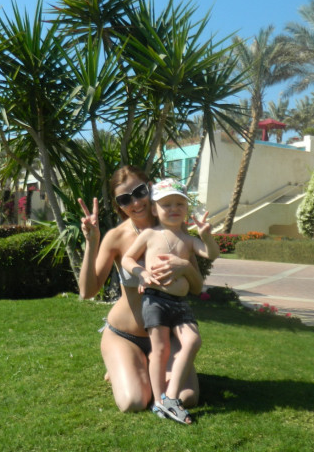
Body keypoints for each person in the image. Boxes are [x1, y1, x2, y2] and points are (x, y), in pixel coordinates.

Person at [77, 166, 204, 417]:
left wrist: (185, 266)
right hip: (126, 335)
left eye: (139, 192)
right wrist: (92, 242)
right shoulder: (116, 237)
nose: (135, 203)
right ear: (119, 206)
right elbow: (87, 291)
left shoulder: (175, 228)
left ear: (150, 188)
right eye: (125, 199)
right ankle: (123, 365)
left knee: (187, 397)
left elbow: (198, 287)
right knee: (134, 401)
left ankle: (140, 368)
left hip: (166, 335)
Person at [121, 178, 218, 424]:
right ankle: (159, 401)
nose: (174, 208)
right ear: (154, 210)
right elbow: (127, 259)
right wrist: (141, 273)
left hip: (180, 303)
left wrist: (206, 236)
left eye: (179, 204)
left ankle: (170, 398)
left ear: (186, 209)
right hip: (155, 299)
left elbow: (211, 253)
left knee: (193, 341)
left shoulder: (188, 239)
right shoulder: (150, 234)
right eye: (166, 205)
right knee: (161, 350)